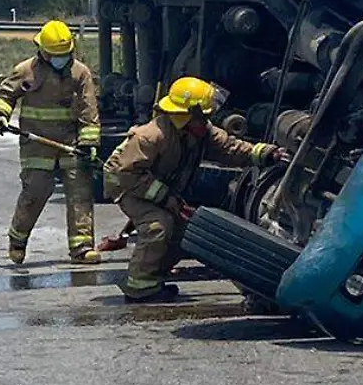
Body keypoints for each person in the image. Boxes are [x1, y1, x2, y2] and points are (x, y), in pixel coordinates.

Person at [103, 76, 288, 302]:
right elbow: (124, 173)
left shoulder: (201, 131)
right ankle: (138, 288)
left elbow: (230, 148)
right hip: (127, 185)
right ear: (186, 115)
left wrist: (267, 153)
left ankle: (153, 278)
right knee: (157, 226)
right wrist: (165, 197)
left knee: (185, 231)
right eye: (205, 115)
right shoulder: (151, 136)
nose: (209, 119)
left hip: (157, 185)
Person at [0, 20, 102, 266]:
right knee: (36, 191)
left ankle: (82, 248)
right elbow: (4, 95)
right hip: (37, 143)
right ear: (42, 51)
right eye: (55, 55)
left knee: (80, 193)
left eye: (65, 54)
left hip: (71, 143)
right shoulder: (26, 70)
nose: (61, 59)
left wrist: (88, 141)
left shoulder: (80, 73)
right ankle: (18, 239)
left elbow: (88, 110)